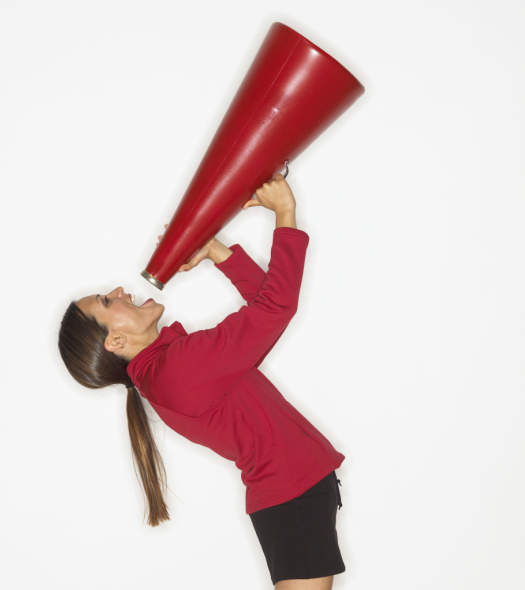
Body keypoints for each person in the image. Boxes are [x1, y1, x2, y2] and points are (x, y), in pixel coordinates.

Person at [58, 174, 346, 590]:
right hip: (293, 496)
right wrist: (285, 212)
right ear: (116, 341)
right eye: (107, 300)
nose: (119, 290)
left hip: (295, 494)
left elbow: (266, 309)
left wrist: (216, 251)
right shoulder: (175, 370)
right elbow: (275, 308)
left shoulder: (169, 366)